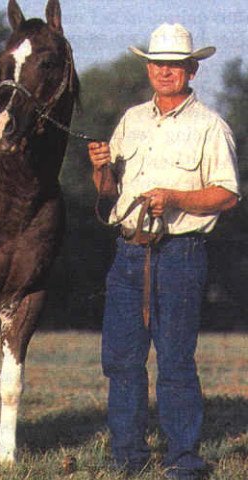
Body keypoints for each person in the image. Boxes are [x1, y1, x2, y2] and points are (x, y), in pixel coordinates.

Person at [88, 24, 240, 479]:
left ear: (192, 70)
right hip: (128, 253)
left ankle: (184, 460)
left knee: (175, 360)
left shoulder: (210, 126)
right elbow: (108, 191)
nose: (165, 71)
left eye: (175, 64)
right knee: (120, 360)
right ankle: (127, 457)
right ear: (148, 67)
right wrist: (99, 169)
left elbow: (227, 194)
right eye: (157, 63)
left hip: (180, 255)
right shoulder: (131, 120)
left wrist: (174, 197)